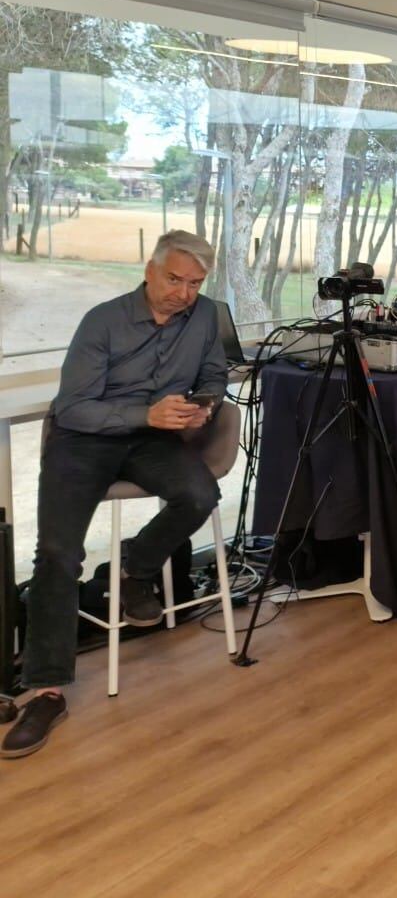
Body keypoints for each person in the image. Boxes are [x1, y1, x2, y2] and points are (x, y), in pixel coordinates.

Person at [4, 231, 228, 758]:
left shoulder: (204, 316)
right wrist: (142, 414)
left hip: (151, 442)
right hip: (83, 441)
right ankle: (47, 690)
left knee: (199, 493)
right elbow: (74, 406)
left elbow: (214, 373)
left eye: (195, 283)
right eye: (175, 279)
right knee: (58, 554)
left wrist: (206, 405)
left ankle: (133, 569)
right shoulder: (103, 321)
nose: (184, 294)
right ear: (149, 270)